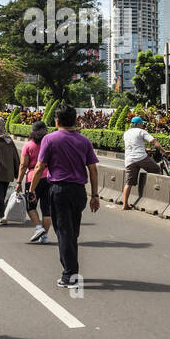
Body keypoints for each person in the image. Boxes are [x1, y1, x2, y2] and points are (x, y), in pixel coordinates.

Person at [31, 104, 99, 288]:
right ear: (75, 120)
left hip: (59, 190)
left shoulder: (49, 139)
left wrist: (31, 190)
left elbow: (39, 167)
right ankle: (71, 269)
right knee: (72, 232)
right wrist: (95, 195)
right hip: (79, 192)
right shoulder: (84, 141)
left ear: (56, 121)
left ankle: (70, 275)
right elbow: (92, 169)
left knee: (64, 232)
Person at [120, 115, 168, 210]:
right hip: (141, 158)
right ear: (138, 124)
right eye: (142, 123)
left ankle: (125, 205)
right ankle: (161, 194)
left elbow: (132, 145)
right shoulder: (142, 132)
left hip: (129, 160)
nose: (143, 125)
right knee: (157, 169)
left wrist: (145, 149)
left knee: (128, 183)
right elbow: (154, 142)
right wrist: (164, 151)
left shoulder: (126, 133)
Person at [18, 120, 51, 244]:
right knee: (47, 209)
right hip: (49, 177)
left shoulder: (28, 145)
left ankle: (38, 228)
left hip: (32, 178)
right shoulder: (49, 144)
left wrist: (18, 182)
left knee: (30, 206)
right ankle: (45, 236)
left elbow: (23, 165)